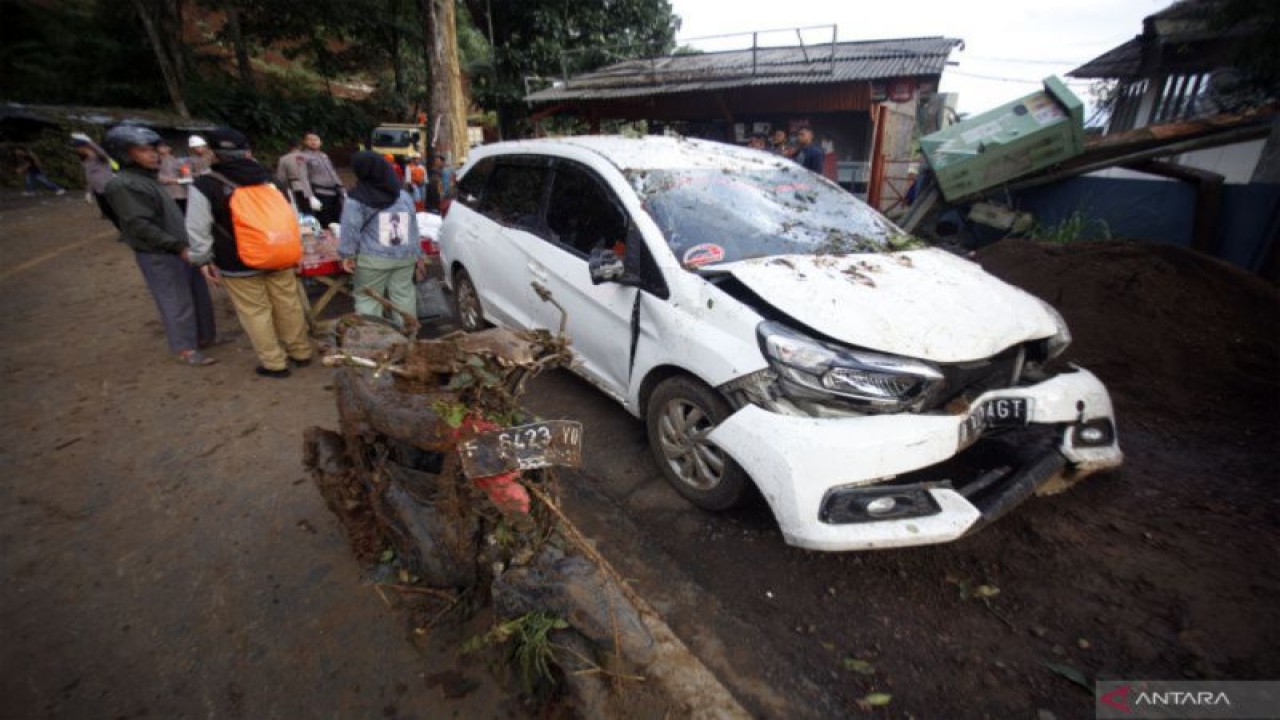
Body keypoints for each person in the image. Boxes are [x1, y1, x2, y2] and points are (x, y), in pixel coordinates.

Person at [186, 127, 312, 379]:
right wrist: (295, 250)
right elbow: (291, 218)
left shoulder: (205, 185)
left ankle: (275, 363)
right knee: (288, 305)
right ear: (248, 152)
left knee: (255, 311)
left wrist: (203, 259)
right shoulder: (272, 181)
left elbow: (197, 227)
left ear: (213, 154)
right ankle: (300, 351)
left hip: (237, 262)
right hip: (280, 254)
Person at [101, 125, 218, 366]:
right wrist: (177, 247)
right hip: (160, 252)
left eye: (153, 150)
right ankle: (185, 348)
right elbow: (139, 225)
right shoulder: (124, 184)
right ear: (124, 153)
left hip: (180, 246)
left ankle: (204, 337)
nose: (153, 155)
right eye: (143, 150)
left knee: (198, 295)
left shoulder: (147, 179)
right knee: (176, 300)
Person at [339, 152, 422, 327]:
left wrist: (347, 255)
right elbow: (414, 227)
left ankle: (374, 344)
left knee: (368, 298)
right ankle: (408, 338)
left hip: (372, 259)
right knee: (404, 296)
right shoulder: (403, 195)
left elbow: (350, 229)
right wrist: (418, 254)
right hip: (405, 256)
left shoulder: (356, 199)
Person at [70, 132, 119, 227]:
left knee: (116, 211)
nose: (77, 150)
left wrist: (89, 141)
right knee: (108, 213)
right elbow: (89, 177)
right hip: (98, 190)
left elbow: (103, 153)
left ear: (85, 147)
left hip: (108, 187)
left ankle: (125, 230)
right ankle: (122, 230)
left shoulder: (100, 158)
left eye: (78, 148)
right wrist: (89, 192)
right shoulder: (85, 161)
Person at [298, 131, 345, 227]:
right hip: (320, 193)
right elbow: (303, 177)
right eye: (310, 140)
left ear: (320, 142)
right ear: (305, 142)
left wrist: (342, 189)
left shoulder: (324, 156)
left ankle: (335, 241)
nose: (313, 142)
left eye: (316, 139)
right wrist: (310, 196)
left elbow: (333, 173)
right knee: (322, 222)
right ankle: (321, 240)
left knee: (337, 221)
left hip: (334, 192)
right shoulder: (302, 157)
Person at [156, 140, 189, 214]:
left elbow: (187, 173)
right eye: (160, 147)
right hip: (165, 193)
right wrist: (175, 180)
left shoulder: (178, 161)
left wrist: (183, 179)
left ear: (169, 148)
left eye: (164, 147)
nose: (161, 149)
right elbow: (157, 176)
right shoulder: (156, 161)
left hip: (180, 193)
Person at [274, 142, 306, 211]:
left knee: (301, 209)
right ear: (300, 147)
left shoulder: (284, 159)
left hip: (295, 186)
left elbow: (281, 178)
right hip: (313, 187)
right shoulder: (308, 156)